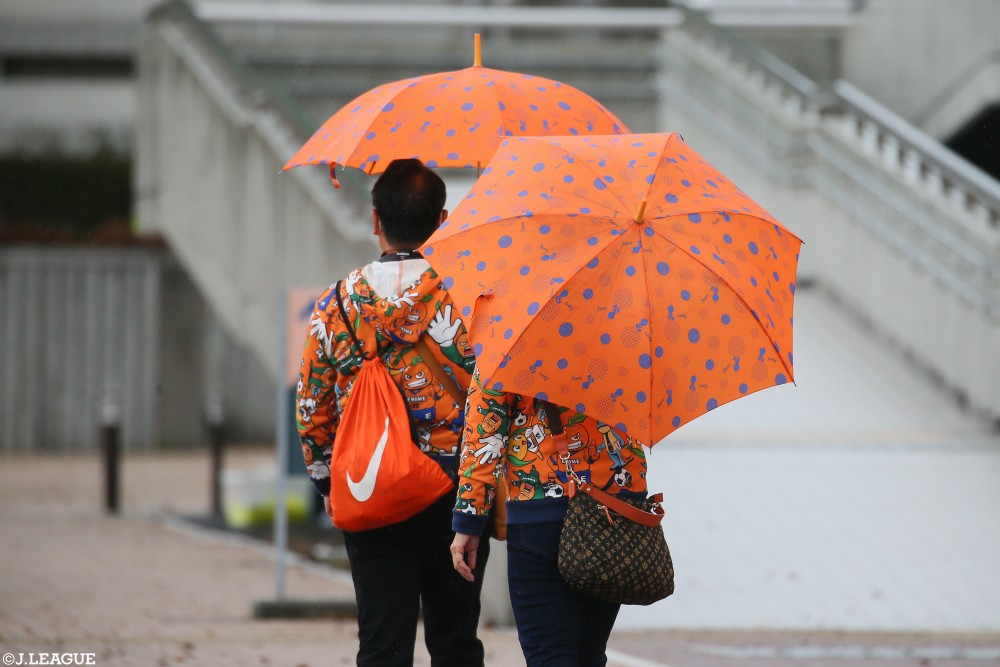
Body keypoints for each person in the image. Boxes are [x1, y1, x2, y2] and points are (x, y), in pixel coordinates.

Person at [297, 158, 489, 667]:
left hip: (369, 487)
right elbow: (495, 400)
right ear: (444, 220)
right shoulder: (471, 298)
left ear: (375, 220)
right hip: (455, 494)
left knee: (381, 644)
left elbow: (312, 410)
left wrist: (329, 484)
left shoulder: (334, 305)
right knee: (456, 643)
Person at [450, 368, 650, 667]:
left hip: (539, 518)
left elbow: (484, 439)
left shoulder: (506, 337)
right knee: (589, 654)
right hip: (613, 513)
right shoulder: (626, 330)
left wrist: (469, 520)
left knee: (549, 654)